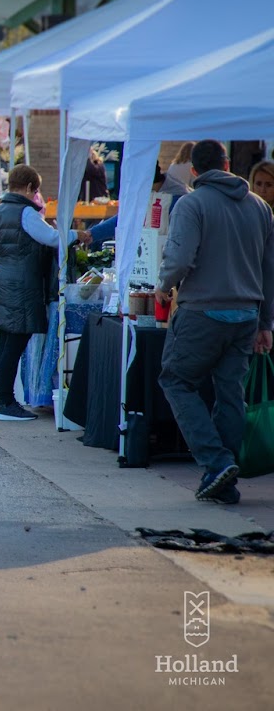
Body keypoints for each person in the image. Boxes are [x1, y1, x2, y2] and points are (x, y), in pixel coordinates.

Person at [156, 140, 274, 505]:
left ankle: (217, 461)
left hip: (202, 311)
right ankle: (225, 479)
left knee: (176, 381)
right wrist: (266, 322)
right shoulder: (260, 206)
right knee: (230, 393)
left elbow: (179, 259)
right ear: (226, 164)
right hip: (246, 314)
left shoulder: (191, 204)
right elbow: (269, 270)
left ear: (193, 170)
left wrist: (163, 285)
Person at [0, 165, 86, 422]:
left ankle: (3, 401)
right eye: (35, 190)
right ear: (30, 187)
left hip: (1, 280)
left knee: (6, 343)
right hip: (23, 284)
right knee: (14, 345)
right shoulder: (26, 213)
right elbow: (52, 238)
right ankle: (6, 403)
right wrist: (77, 235)